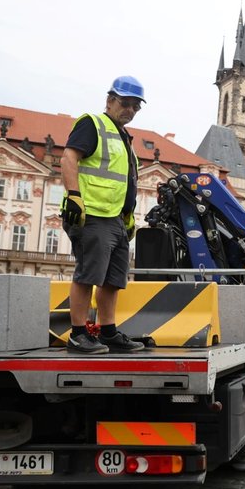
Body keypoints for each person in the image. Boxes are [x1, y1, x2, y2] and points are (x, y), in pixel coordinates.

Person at [59, 76, 147, 354]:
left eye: (135, 106)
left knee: (113, 280)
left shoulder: (124, 138)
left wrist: (128, 218)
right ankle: (78, 334)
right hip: (92, 214)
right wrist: (73, 195)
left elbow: (124, 182)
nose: (130, 110)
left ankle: (108, 332)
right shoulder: (93, 124)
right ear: (110, 100)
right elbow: (69, 158)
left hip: (116, 220)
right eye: (125, 103)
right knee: (88, 274)